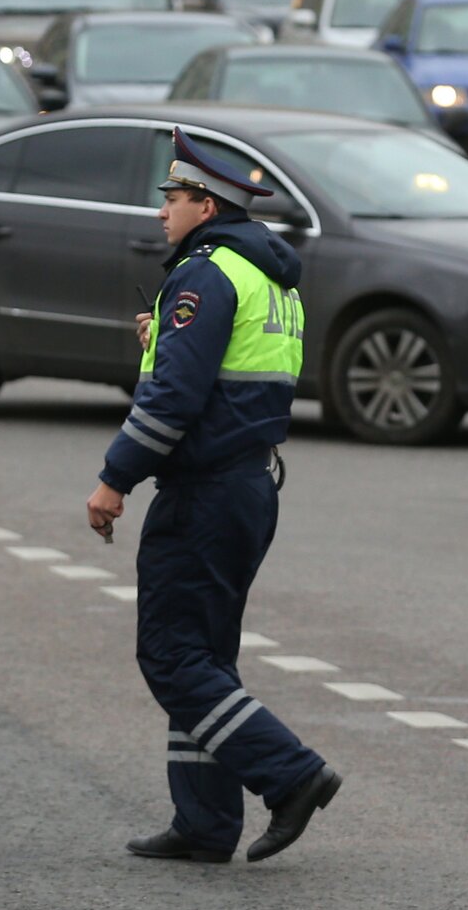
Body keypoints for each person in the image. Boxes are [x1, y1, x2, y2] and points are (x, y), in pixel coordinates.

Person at [85, 127, 341, 865]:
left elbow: (174, 399)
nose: (162, 210)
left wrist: (114, 479)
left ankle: (292, 775)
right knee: (203, 657)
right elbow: (236, 375)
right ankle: (203, 822)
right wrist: (162, 338)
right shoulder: (267, 275)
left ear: (206, 203)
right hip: (250, 484)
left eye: (173, 198)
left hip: (205, 490)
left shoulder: (205, 275)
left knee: (170, 654)